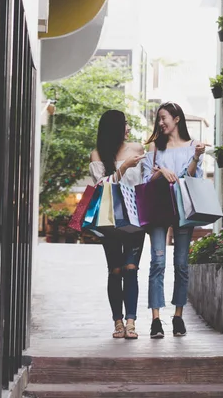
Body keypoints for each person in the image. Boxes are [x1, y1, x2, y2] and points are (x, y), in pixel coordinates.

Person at [142, 102, 208, 338]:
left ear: (177, 119)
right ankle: (156, 320)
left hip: (183, 210)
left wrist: (197, 156)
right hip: (158, 209)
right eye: (158, 119)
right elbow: (146, 182)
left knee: (181, 264)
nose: (160, 123)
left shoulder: (192, 147)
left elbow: (191, 179)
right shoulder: (154, 150)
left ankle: (178, 316)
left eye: (164, 118)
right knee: (157, 263)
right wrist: (160, 172)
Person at [89, 110, 145, 339]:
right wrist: (123, 168)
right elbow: (101, 186)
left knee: (131, 269)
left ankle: (131, 322)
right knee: (115, 270)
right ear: (115, 128)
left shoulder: (138, 149)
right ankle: (118, 322)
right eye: (125, 124)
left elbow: (144, 182)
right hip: (109, 221)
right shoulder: (97, 154)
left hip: (135, 218)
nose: (128, 128)